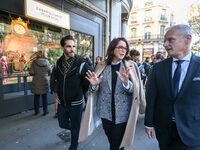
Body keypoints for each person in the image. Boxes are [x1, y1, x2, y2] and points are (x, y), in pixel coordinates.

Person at [82, 37, 146, 150]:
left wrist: (127, 83)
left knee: (115, 144)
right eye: (120, 47)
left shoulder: (130, 65)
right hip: (105, 112)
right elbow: (94, 91)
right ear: (112, 49)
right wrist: (93, 85)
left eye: (125, 48)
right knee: (113, 140)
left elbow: (135, 90)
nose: (123, 50)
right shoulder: (102, 65)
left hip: (123, 113)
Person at [144, 24, 200, 150]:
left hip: (193, 130)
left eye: (170, 40)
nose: (165, 44)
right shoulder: (157, 68)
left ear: (187, 39)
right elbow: (151, 97)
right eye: (164, 40)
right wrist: (148, 123)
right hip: (164, 130)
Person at [54, 35, 93, 150]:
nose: (72, 49)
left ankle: (74, 145)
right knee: (62, 124)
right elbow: (57, 79)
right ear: (63, 48)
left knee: (75, 127)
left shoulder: (81, 63)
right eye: (68, 46)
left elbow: (87, 83)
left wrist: (79, 94)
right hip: (62, 102)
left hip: (76, 103)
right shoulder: (58, 63)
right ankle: (77, 129)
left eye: (73, 46)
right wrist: (57, 94)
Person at [29, 51, 51, 116]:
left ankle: (37, 111)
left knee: (36, 97)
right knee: (44, 97)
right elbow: (50, 72)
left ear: (37, 55)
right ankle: (45, 111)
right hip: (45, 81)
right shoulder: (47, 62)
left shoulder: (34, 62)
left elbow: (31, 72)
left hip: (36, 81)